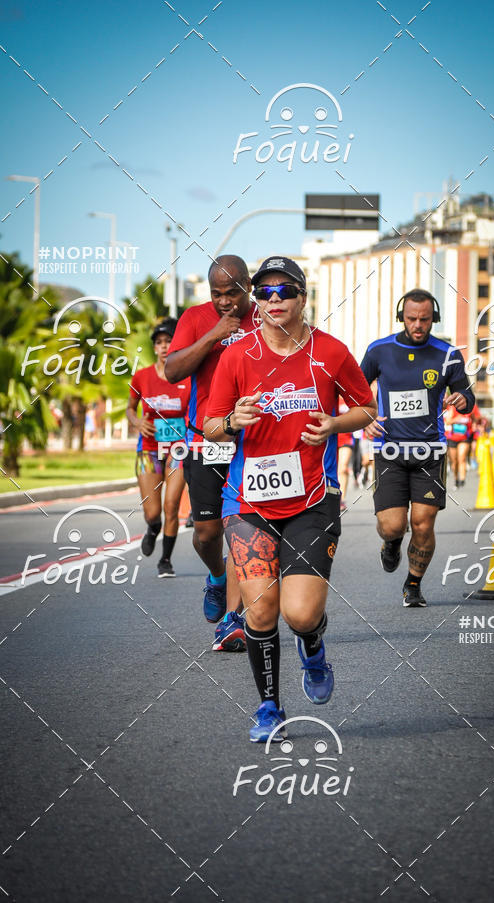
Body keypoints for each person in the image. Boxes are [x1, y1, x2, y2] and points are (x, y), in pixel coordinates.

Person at [203, 256, 377, 742]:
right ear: (255, 302)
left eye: (285, 291)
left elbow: (365, 407)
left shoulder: (330, 352)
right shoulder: (237, 355)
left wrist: (335, 425)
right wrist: (232, 421)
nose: (274, 299)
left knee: (299, 614)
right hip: (248, 502)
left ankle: (313, 646)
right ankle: (269, 708)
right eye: (264, 292)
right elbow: (211, 425)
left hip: (312, 499)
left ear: (303, 297)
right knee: (259, 610)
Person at [165, 255, 261, 651]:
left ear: (248, 287)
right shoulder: (194, 318)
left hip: (251, 441)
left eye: (232, 293)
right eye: (217, 294)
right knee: (206, 534)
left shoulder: (266, 316)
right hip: (205, 439)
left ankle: (233, 621)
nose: (225, 301)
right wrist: (214, 335)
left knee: (238, 528)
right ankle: (217, 579)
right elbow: (172, 371)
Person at [360, 288, 475, 608]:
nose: (418, 325)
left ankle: (413, 584)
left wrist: (463, 399)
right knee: (393, 524)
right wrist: (364, 418)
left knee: (423, 523)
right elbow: (354, 389)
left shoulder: (448, 354)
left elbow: (466, 394)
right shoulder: (379, 350)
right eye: (412, 319)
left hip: (430, 451)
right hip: (390, 450)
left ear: (433, 318)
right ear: (402, 317)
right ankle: (392, 543)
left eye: (425, 319)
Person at [127, 318, 190, 578]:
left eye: (169, 342)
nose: (164, 347)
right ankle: (153, 528)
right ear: (154, 348)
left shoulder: (187, 376)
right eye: (159, 343)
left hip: (178, 450)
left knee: (172, 505)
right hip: (148, 450)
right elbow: (130, 408)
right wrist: (138, 421)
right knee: (153, 512)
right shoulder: (141, 377)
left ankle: (166, 559)